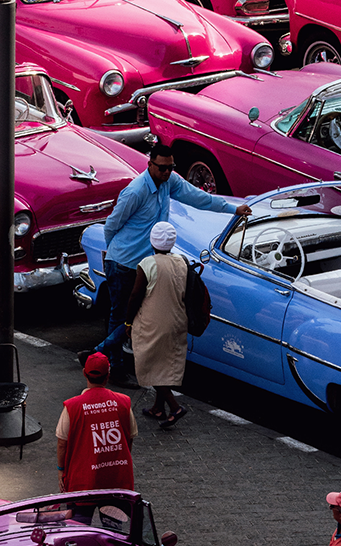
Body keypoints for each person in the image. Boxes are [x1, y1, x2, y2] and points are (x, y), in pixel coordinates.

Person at [99, 142, 251, 380]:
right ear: (150, 165)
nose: (167, 172)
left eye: (171, 167)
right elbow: (112, 226)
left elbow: (198, 198)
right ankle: (112, 365)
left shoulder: (170, 182)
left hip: (147, 263)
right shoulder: (135, 191)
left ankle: (100, 354)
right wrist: (114, 254)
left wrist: (232, 209)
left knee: (138, 315)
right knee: (123, 316)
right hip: (124, 263)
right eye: (162, 168)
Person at [124, 221, 188, 427]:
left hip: (153, 323)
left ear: (152, 241)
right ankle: (158, 409)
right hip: (177, 320)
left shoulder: (147, 264)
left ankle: (174, 406)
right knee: (166, 364)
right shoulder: (181, 261)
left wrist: (128, 321)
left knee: (149, 363)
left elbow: (135, 295)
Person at [56, 352, 137, 492]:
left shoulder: (72, 406)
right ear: (108, 375)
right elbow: (129, 438)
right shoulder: (123, 402)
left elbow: (62, 443)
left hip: (82, 480)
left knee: (80, 514)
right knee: (114, 513)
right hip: (117, 478)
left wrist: (61, 470)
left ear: (84, 373)